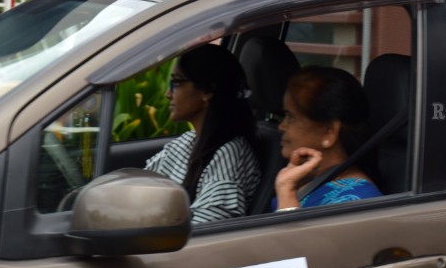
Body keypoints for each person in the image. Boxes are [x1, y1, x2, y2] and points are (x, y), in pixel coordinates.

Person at [145, 44, 260, 224]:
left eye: (176, 83)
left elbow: (205, 232)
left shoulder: (229, 154)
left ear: (206, 91)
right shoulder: (186, 143)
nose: (168, 94)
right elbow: (140, 187)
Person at [274, 66, 381, 210]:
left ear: (329, 131)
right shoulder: (308, 180)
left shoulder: (357, 202)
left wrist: (286, 193)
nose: (281, 126)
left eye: (291, 117)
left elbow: (294, 234)